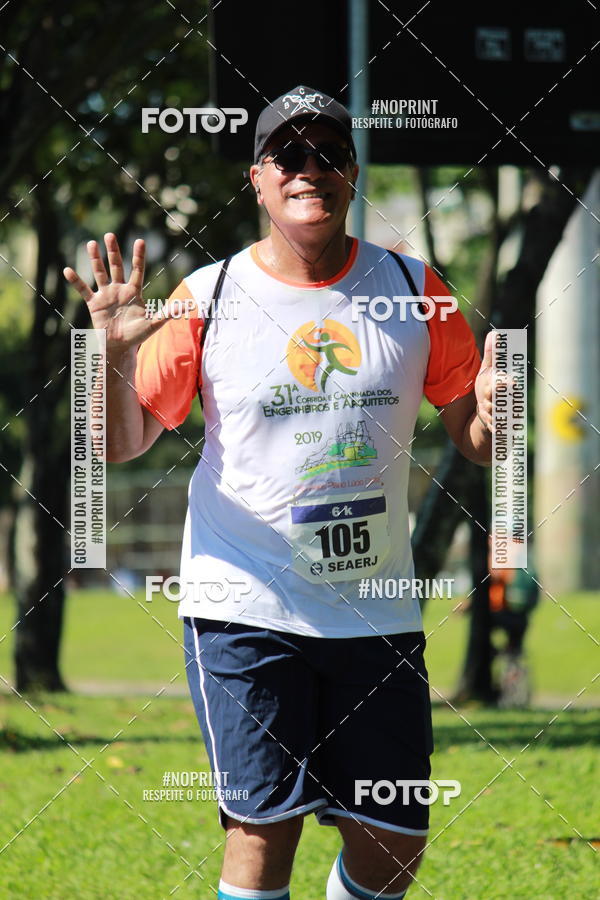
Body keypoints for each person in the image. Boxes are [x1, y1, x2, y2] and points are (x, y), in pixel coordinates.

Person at [64, 84, 493, 900]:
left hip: (376, 606)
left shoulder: (414, 289)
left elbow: (474, 435)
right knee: (263, 836)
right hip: (243, 603)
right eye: (289, 156)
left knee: (394, 841)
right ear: (258, 180)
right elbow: (114, 445)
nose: (311, 171)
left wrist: (501, 415)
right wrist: (112, 352)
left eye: (328, 154)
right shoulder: (208, 297)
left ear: (351, 172)